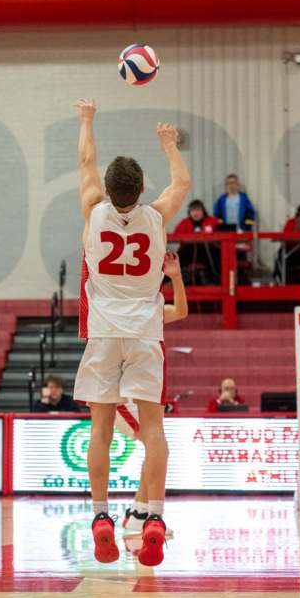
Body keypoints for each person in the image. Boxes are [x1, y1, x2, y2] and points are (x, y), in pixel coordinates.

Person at [73, 98, 190, 566]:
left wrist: (87, 119)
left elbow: (85, 160)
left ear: (107, 189)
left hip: (103, 331)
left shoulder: (92, 210)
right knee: (154, 428)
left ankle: (102, 516)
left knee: (99, 429)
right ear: (141, 189)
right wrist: (169, 144)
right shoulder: (157, 216)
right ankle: (154, 518)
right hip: (145, 330)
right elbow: (182, 182)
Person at [116, 250, 187, 537]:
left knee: (156, 450)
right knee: (158, 448)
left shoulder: (151, 307)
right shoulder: (123, 306)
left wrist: (177, 277)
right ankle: (140, 512)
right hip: (126, 398)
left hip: (140, 394)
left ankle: (138, 512)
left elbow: (181, 311)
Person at [171, 199, 219, 284]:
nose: (195, 213)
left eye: (198, 210)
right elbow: (176, 236)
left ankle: (216, 281)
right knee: (175, 259)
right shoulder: (184, 223)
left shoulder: (212, 221)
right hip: (189, 251)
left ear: (203, 211)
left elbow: (221, 233)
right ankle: (177, 282)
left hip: (208, 250)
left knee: (218, 256)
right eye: (193, 210)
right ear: (189, 212)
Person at [273, 204, 300, 285]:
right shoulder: (291, 222)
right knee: (282, 254)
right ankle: (286, 284)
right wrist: (297, 228)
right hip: (293, 252)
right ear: (297, 215)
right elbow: (285, 236)